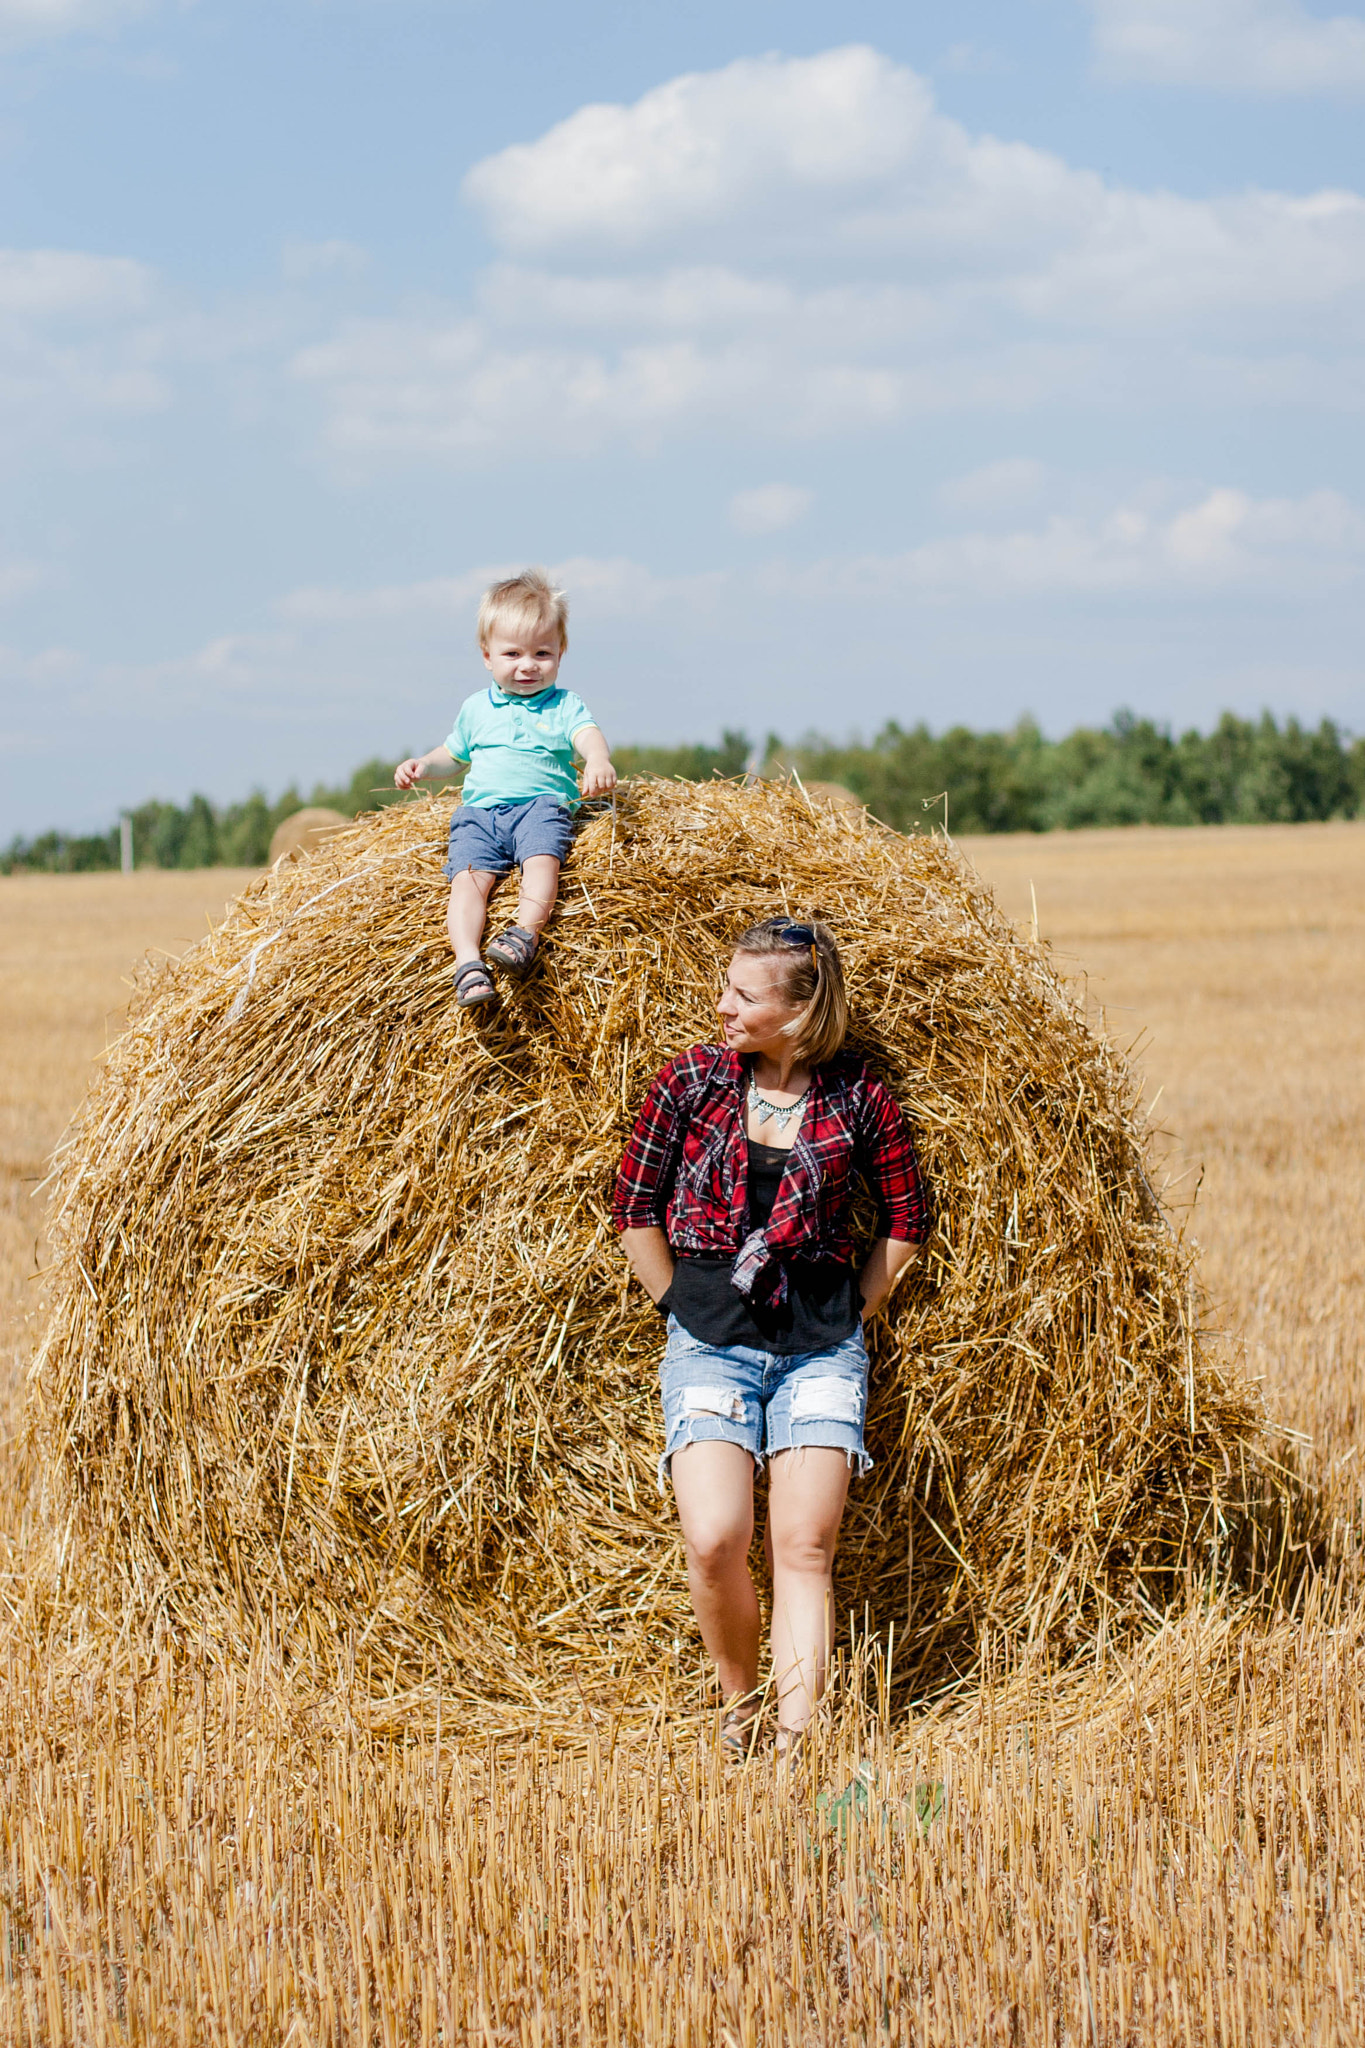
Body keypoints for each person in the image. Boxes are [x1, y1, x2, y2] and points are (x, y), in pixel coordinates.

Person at [613, 917, 930, 1766]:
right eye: (726, 988)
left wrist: (855, 1310)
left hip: (819, 1349)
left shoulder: (858, 1097)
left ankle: (796, 1738)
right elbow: (633, 1206)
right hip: (710, 1343)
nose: (722, 1006)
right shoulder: (689, 1082)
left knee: (802, 1545)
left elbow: (905, 1217)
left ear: (798, 1011)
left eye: (743, 996)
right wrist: (680, 1301)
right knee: (716, 1536)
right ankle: (740, 1699)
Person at [393, 569, 617, 1008]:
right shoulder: (476, 708)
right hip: (480, 814)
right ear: (487, 656)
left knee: (541, 865)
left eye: (542, 653)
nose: (527, 665)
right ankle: (468, 963)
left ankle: (524, 935)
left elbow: (587, 734)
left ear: (561, 652)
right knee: (467, 883)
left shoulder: (565, 704)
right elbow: (453, 755)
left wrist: (597, 759)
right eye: (512, 653)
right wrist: (423, 765)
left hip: (540, 807)